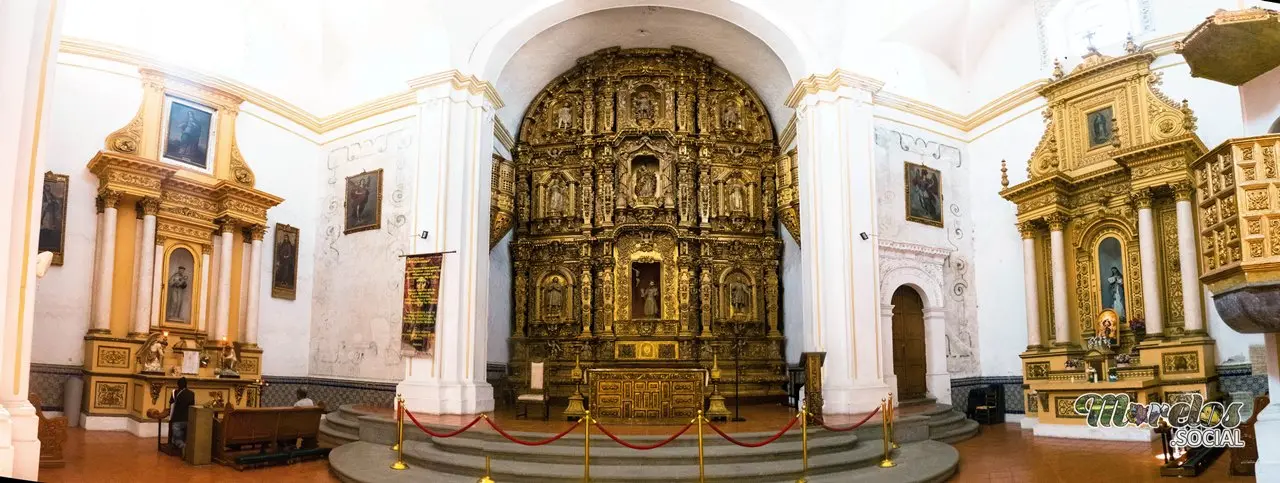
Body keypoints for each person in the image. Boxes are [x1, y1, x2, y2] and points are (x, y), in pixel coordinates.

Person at [169, 377, 195, 450]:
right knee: (185, 437)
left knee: (176, 439)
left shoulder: (174, 393)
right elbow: (192, 405)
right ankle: (187, 448)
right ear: (186, 384)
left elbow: (171, 404)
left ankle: (185, 449)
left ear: (178, 384)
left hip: (177, 419)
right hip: (188, 419)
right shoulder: (192, 394)